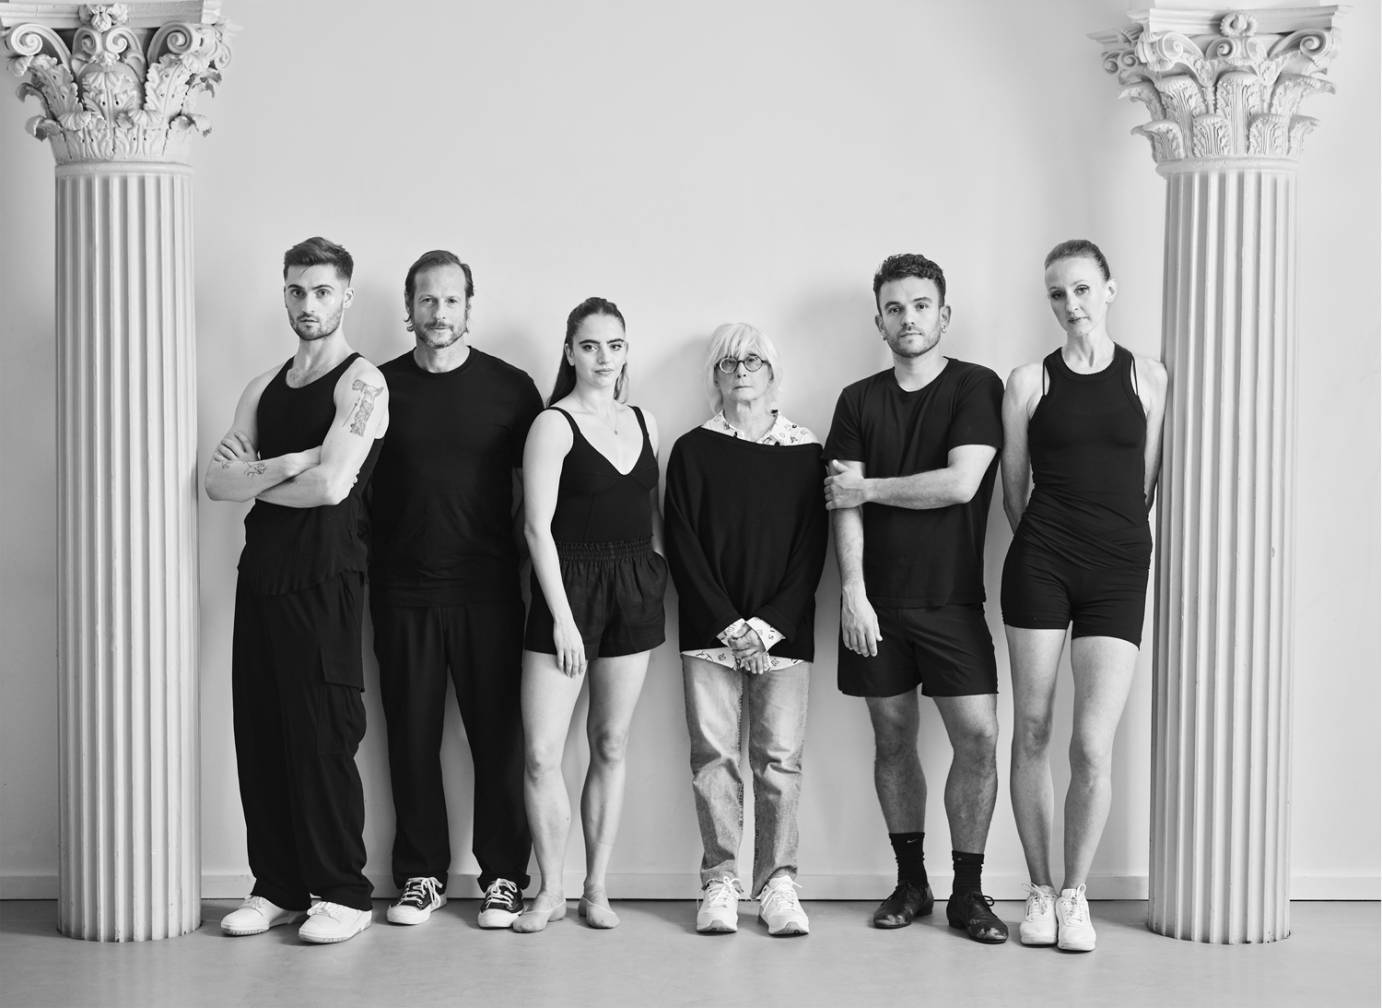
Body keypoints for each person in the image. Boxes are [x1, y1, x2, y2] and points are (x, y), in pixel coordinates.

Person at [204, 236, 389, 945]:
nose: (307, 304)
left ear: (345, 294)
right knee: (262, 731)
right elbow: (217, 482)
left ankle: (340, 892)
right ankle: (277, 886)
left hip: (327, 578)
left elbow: (334, 485)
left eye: (320, 291)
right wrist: (292, 460)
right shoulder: (262, 386)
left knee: (323, 736)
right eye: (295, 290)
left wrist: (275, 474)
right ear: (283, 294)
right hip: (263, 578)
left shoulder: (363, 382)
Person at [823, 252, 1008, 944]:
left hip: (954, 602)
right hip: (878, 603)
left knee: (980, 739)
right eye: (895, 307)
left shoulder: (974, 388)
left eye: (921, 305)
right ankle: (911, 882)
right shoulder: (857, 400)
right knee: (893, 740)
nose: (908, 317)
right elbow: (841, 511)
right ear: (879, 320)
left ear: (944, 314)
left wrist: (868, 488)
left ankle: (969, 892)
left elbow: (960, 484)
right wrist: (852, 592)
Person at [1000, 239, 1167, 952]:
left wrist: (1111, 535)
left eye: (1081, 290)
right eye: (1057, 295)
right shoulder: (1027, 382)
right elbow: (1013, 489)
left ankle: (1075, 895)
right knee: (1032, 728)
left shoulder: (1149, 379)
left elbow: (1148, 482)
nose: (1070, 305)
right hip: (1041, 561)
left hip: (1120, 567)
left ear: (1109, 290)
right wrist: (1048, 539)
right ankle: (1038, 891)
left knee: (1091, 744)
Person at [368, 251, 542, 928]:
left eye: (451, 301)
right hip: (400, 591)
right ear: (408, 309)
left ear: (471, 307)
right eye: (427, 301)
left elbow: (540, 494)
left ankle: (503, 877)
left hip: (489, 592)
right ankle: (419, 876)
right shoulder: (374, 387)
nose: (439, 314)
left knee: (497, 740)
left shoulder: (511, 388)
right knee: (409, 738)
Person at [665, 323, 828, 937]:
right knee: (713, 758)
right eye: (729, 361)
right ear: (715, 374)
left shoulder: (805, 449)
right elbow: (682, 544)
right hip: (712, 631)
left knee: (779, 759)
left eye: (753, 360)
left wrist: (767, 627)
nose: (741, 370)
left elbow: (813, 550)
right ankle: (721, 883)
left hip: (784, 634)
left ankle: (779, 883)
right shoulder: (692, 449)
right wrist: (732, 624)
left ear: (772, 372)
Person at [512, 297, 666, 933]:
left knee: (610, 742)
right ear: (569, 351)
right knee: (543, 754)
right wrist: (564, 620)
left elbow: (652, 517)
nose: (603, 358)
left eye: (615, 345)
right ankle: (551, 890)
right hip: (565, 589)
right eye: (590, 346)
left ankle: (596, 889)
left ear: (627, 351)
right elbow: (536, 527)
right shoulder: (552, 424)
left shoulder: (646, 422)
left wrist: (651, 577)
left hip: (634, 587)